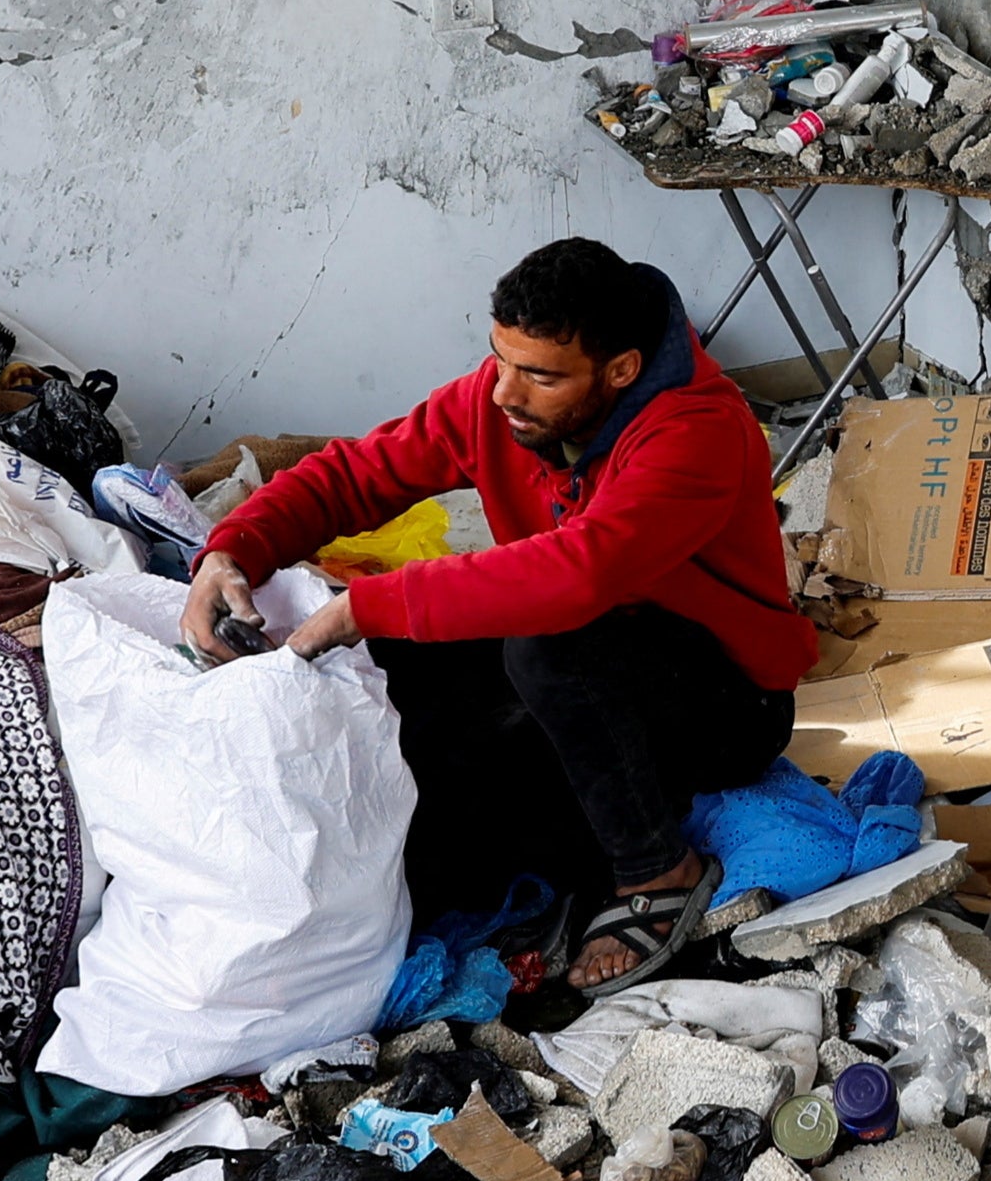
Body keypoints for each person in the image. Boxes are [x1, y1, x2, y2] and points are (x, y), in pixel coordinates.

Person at [186, 237, 815, 990]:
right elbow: (355, 475)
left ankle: (660, 870)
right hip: (575, 661)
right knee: (405, 715)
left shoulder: (698, 431)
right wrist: (231, 552)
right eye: (500, 359)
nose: (503, 393)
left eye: (540, 375)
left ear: (621, 370)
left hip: (722, 699)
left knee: (535, 659)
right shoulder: (500, 401)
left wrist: (369, 605)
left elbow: (579, 573)